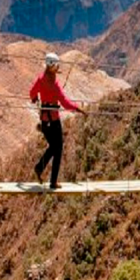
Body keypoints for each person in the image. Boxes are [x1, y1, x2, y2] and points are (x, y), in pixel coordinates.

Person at [29, 52, 86, 189]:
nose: (58, 67)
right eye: (56, 65)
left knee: (54, 147)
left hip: (44, 121)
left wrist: (35, 98)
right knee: (58, 149)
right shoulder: (55, 85)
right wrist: (78, 109)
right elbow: (65, 103)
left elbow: (32, 92)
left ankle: (40, 168)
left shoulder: (40, 79)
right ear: (52, 66)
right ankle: (52, 181)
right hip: (54, 121)